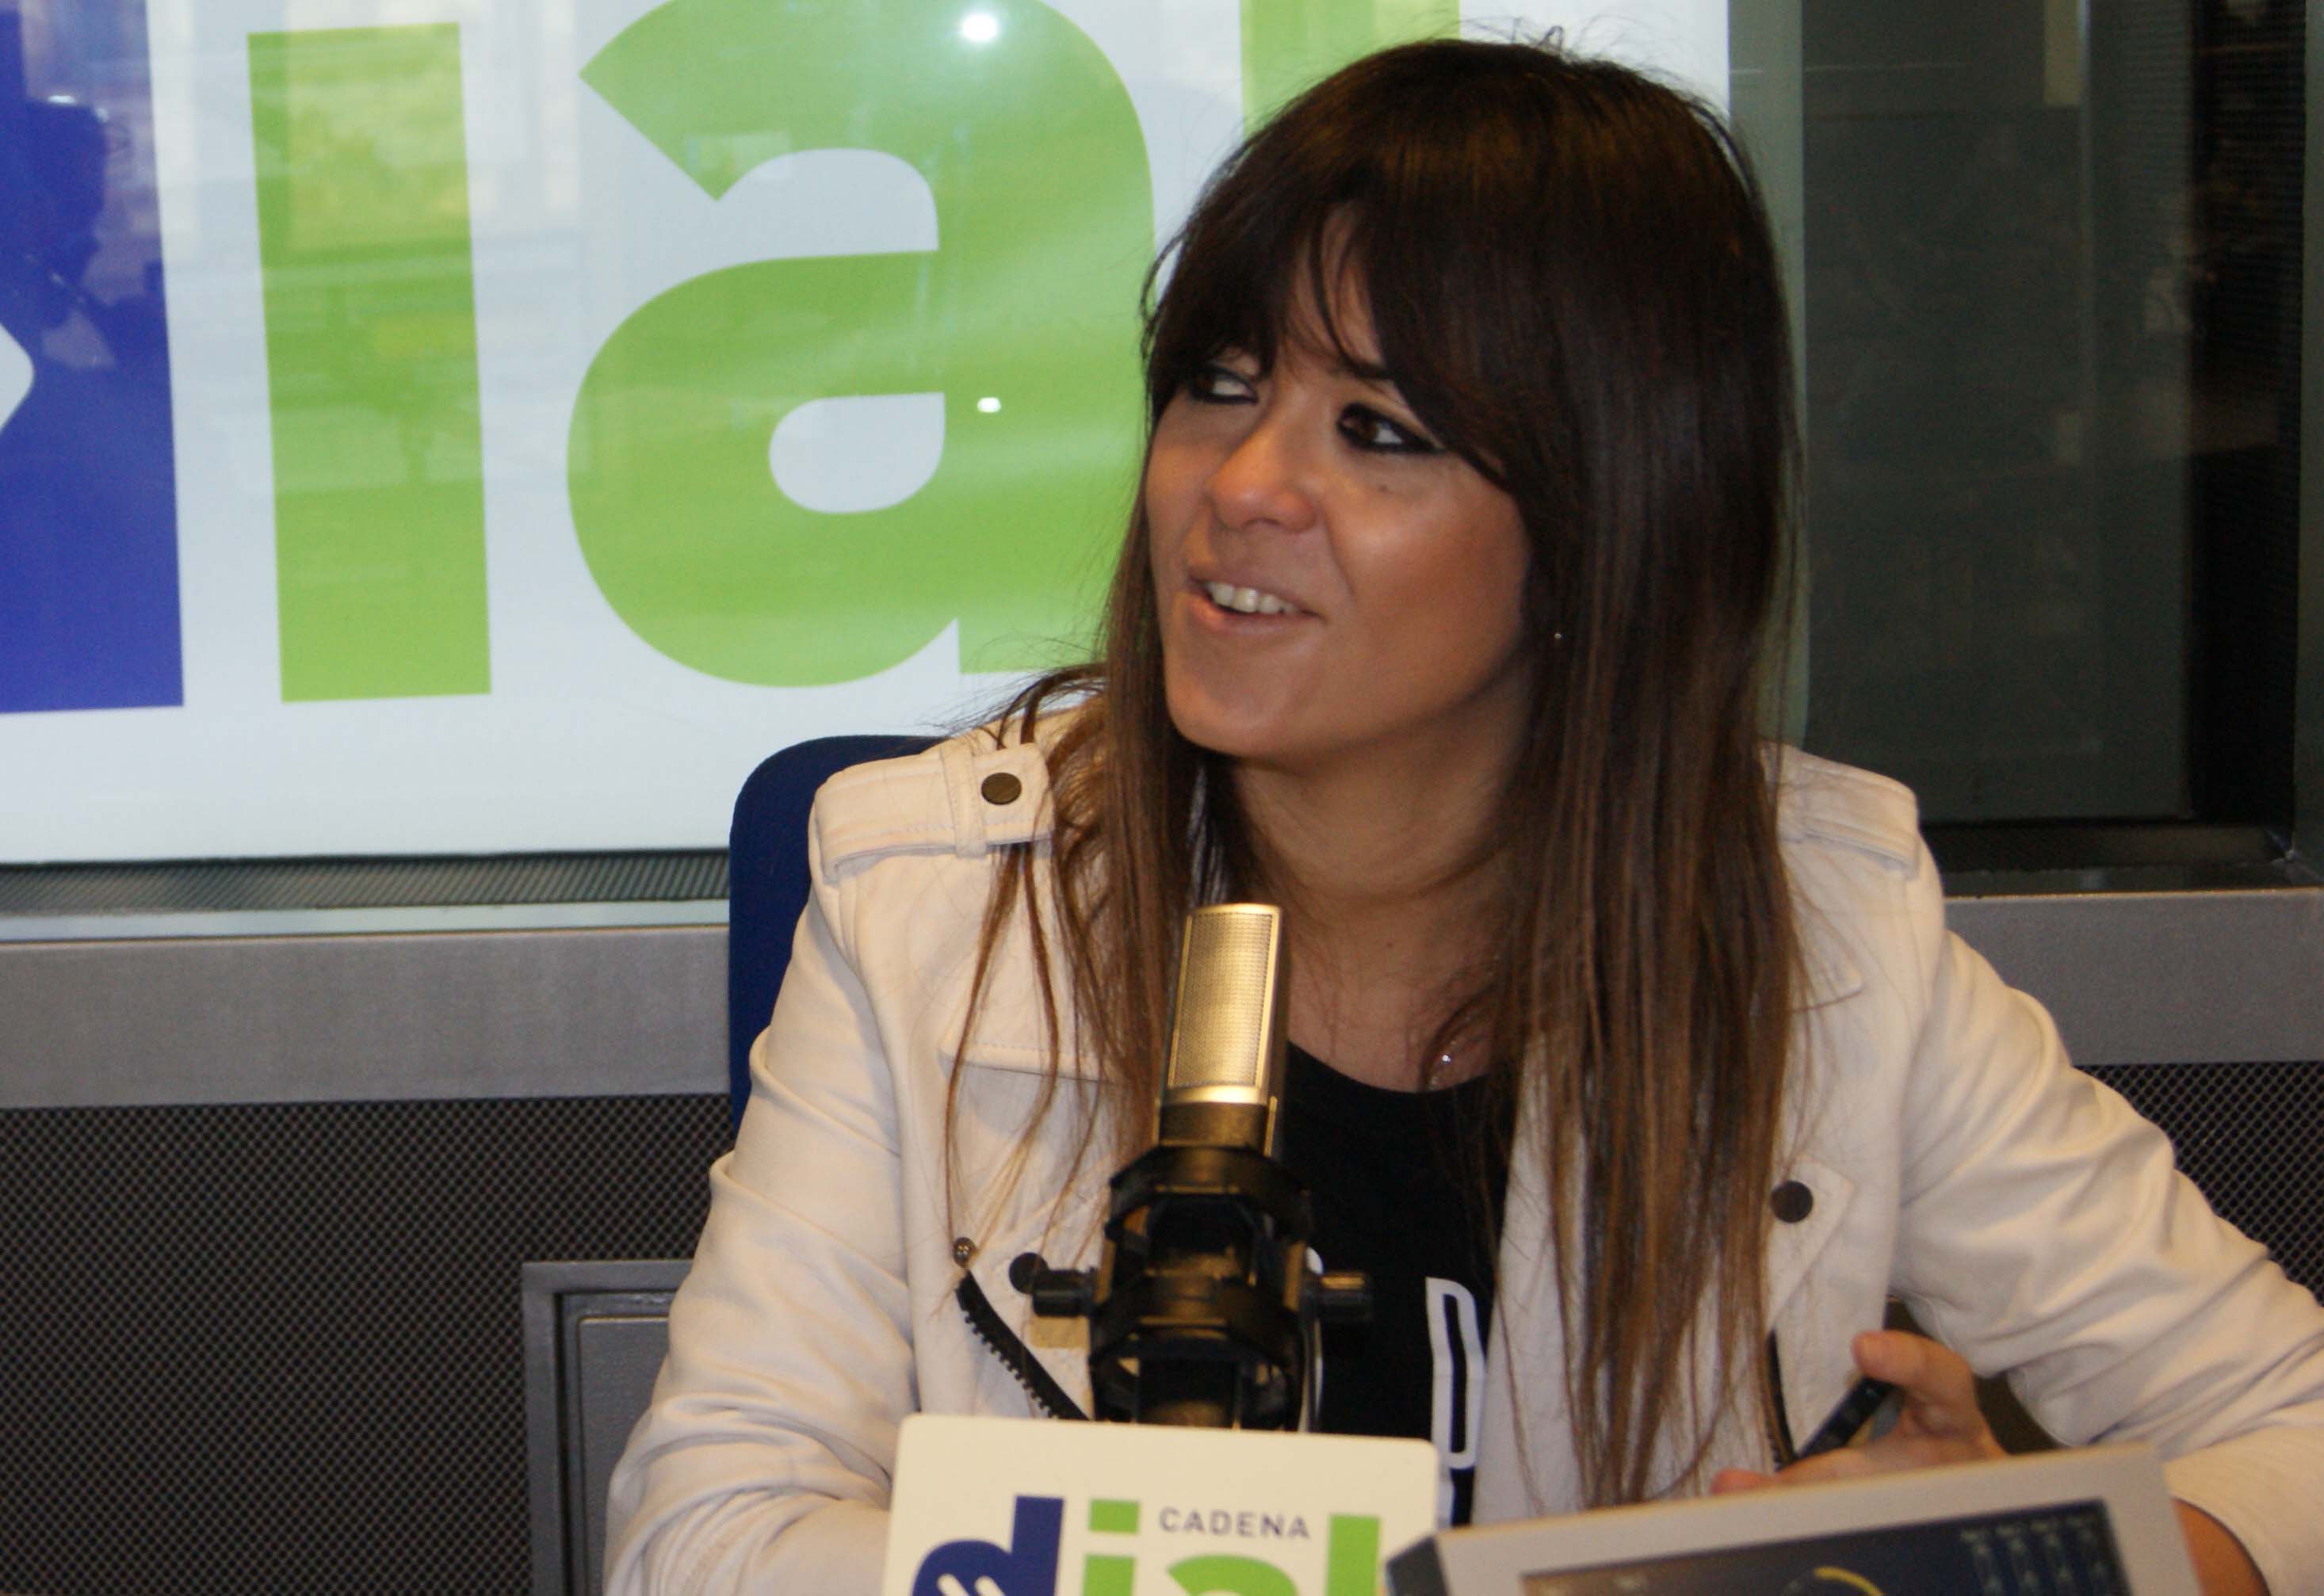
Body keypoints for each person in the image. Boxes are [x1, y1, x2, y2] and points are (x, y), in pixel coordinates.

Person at [606, 38, 2324, 1594]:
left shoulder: (1819, 930)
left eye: (1376, 428)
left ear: (1602, 526)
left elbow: (2288, 1423)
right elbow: (708, 1532)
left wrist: (2023, 1566)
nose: (1241, 486)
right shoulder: (933, 898)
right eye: (1219, 382)